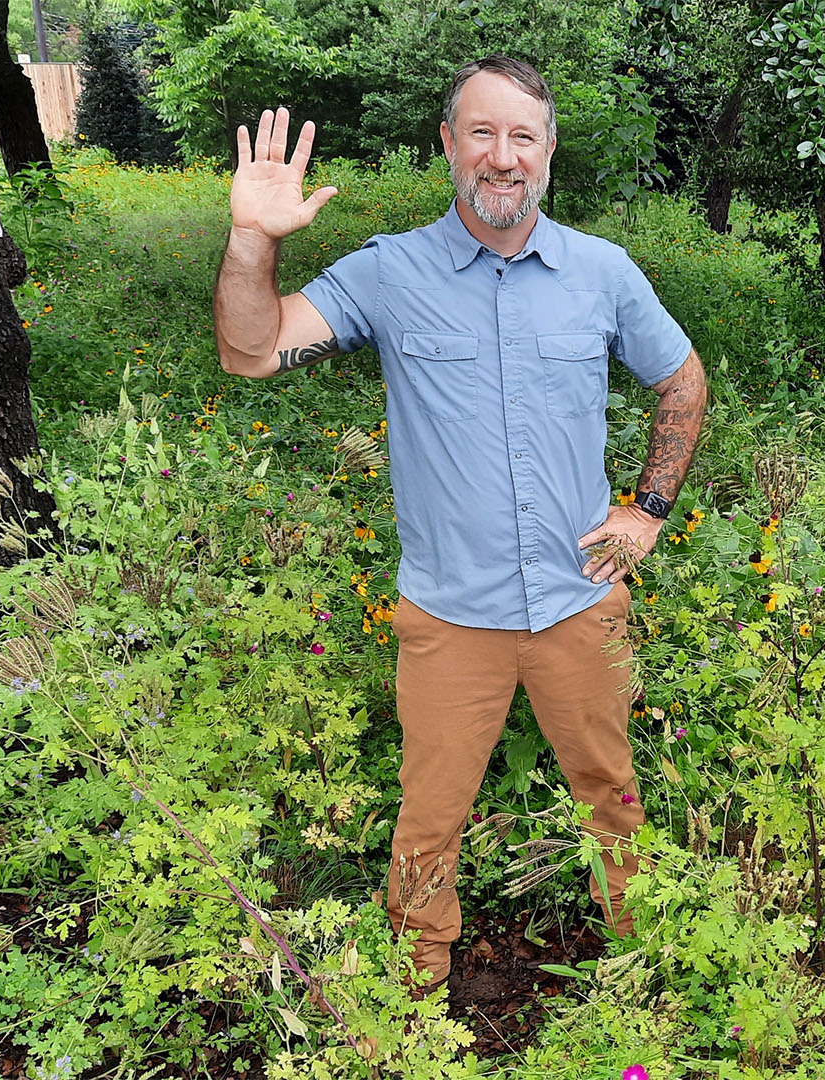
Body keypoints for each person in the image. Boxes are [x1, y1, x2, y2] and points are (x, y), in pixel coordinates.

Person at [212, 55, 708, 995]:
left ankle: (644, 955)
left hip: (579, 601)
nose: (502, 157)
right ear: (448, 144)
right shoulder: (391, 273)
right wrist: (250, 240)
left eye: (523, 136)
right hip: (450, 617)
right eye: (482, 133)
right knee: (431, 815)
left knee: (613, 794)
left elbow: (682, 381)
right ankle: (417, 974)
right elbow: (251, 349)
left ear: (549, 153)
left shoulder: (602, 273)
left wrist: (647, 511)